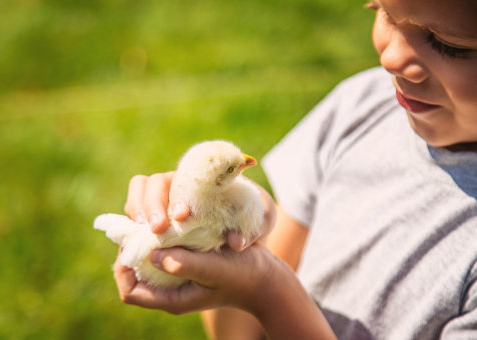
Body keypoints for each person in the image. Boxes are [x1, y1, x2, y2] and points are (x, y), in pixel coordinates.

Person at [112, 0, 477, 338]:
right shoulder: (361, 108)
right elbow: (237, 331)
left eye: (449, 43)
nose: (392, 58)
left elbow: (262, 287)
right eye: (383, 11)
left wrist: (269, 292)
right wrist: (233, 244)